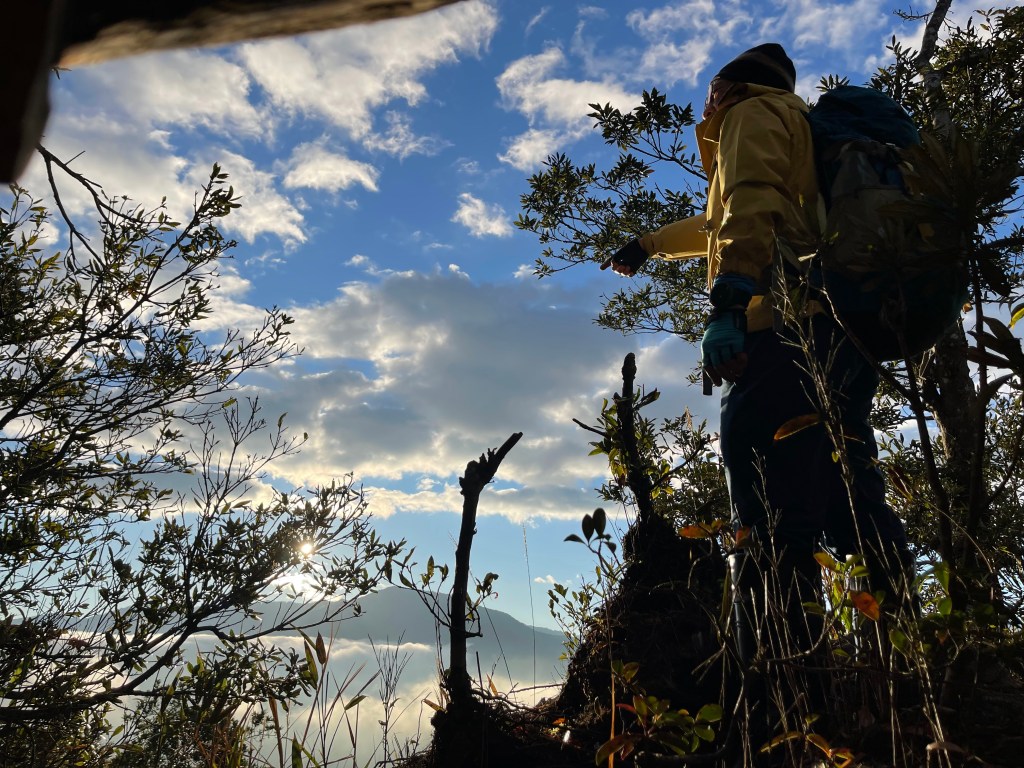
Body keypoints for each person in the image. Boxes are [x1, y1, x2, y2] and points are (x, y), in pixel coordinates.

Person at [602, 43, 915, 765]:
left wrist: (730, 305)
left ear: (729, 87)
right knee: (849, 496)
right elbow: (725, 216)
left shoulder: (752, 115)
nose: (705, 103)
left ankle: (780, 695)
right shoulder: (793, 125)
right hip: (836, 334)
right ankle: (903, 672)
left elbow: (751, 205)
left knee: (769, 516)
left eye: (711, 90)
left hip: (783, 337)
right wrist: (649, 244)